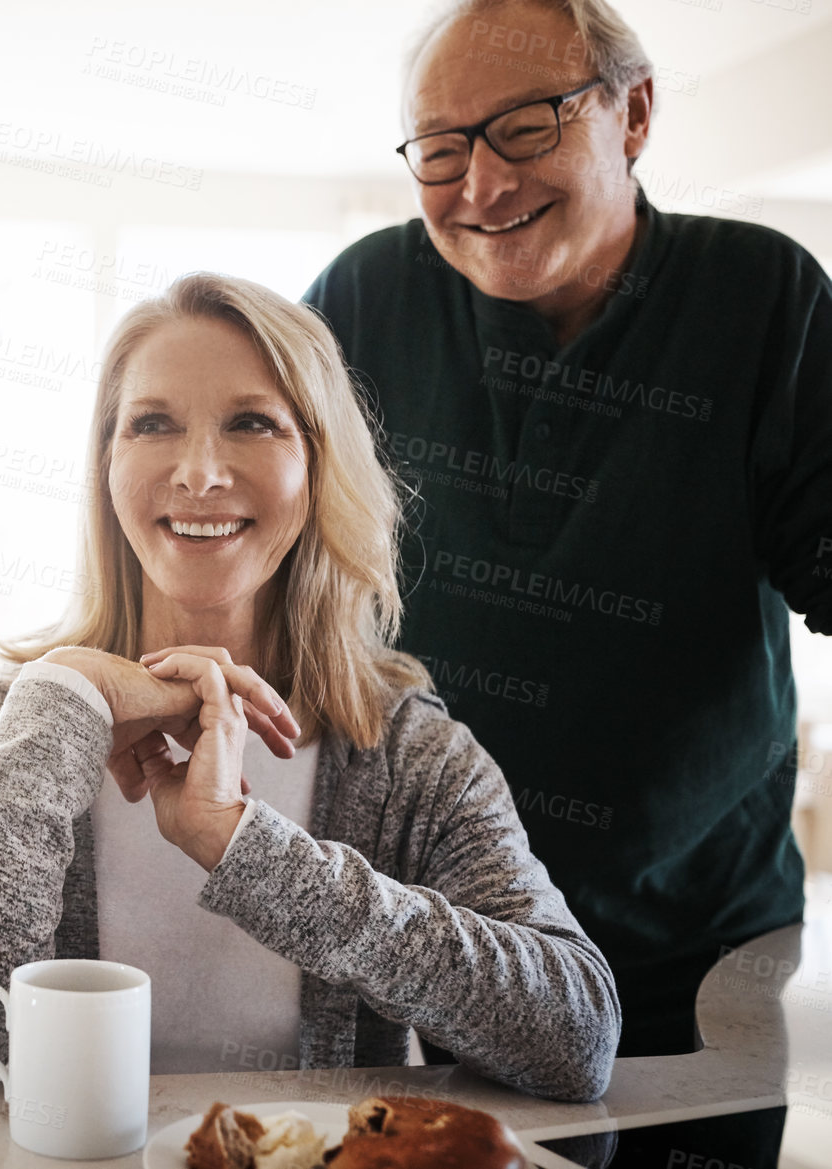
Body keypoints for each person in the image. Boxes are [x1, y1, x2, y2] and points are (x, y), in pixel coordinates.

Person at [0, 272, 620, 1103]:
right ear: (107, 466)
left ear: (317, 467)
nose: (198, 472)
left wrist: (249, 851)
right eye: (152, 424)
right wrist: (63, 708)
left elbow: (577, 1037)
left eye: (251, 423)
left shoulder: (407, 754)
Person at [302, 0, 831, 1059]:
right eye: (441, 148)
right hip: (426, 935)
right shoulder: (366, 296)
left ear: (633, 113)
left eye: (526, 126)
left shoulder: (761, 295)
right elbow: (268, 551)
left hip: (697, 935)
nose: (481, 183)